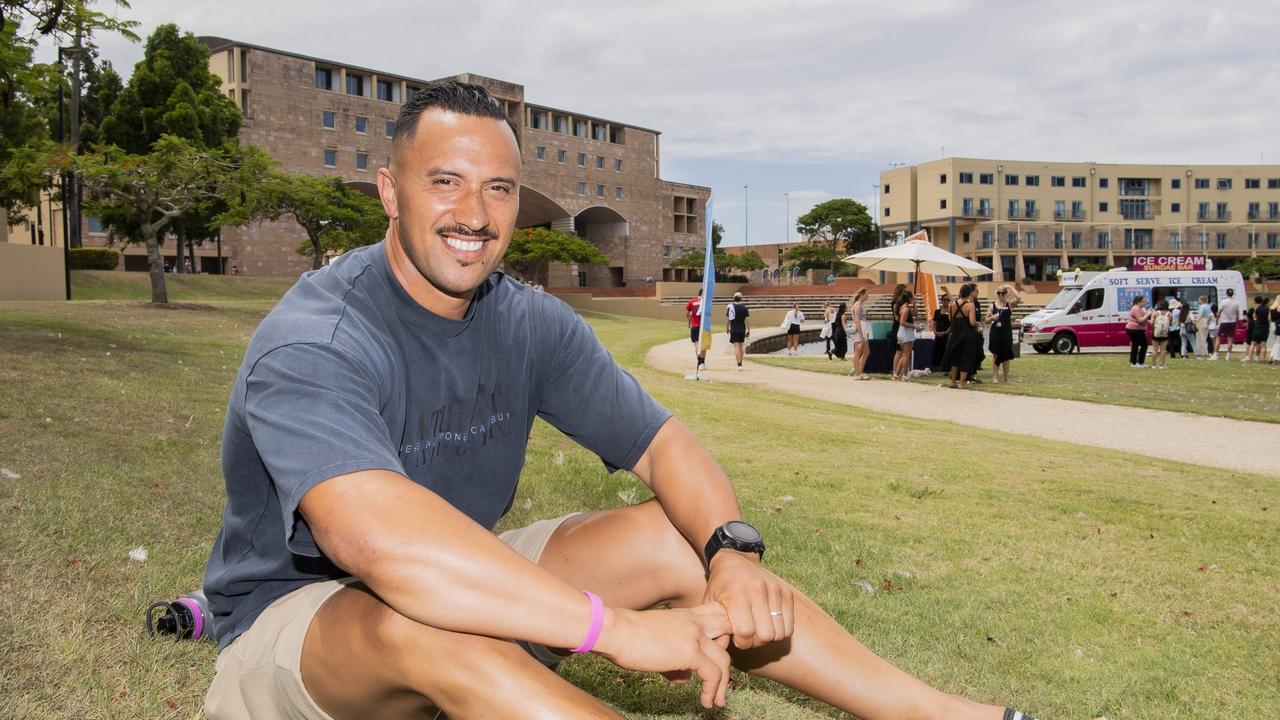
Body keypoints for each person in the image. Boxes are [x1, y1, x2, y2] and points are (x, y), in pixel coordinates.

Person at [200, 81, 1040, 720]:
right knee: (425, 620)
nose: (473, 214)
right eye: (444, 182)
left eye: (497, 189)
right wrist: (613, 629)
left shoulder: (526, 320)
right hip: (302, 630)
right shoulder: (320, 335)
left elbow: (663, 445)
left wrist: (733, 553)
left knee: (678, 538)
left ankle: (941, 714)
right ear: (390, 190)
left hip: (455, 590)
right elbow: (382, 549)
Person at [942, 283, 980, 388]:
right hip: (967, 333)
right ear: (969, 293)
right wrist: (977, 323)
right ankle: (962, 383)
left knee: (955, 358)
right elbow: (972, 322)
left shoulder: (951, 304)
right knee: (966, 358)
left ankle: (953, 382)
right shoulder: (970, 305)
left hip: (955, 333)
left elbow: (950, 319)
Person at [984, 285, 1020, 383]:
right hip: (995, 332)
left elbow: (1018, 298)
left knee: (1006, 356)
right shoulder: (992, 306)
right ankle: (995, 377)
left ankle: (1006, 378)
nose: (1001, 295)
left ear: (1006, 294)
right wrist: (992, 318)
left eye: (1003, 293)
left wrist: (1009, 287)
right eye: (999, 293)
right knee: (995, 354)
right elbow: (986, 320)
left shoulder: (1009, 304)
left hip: (1006, 332)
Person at [893, 290, 916, 381]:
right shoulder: (906, 309)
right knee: (907, 355)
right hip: (906, 332)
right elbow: (902, 322)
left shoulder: (903, 308)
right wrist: (915, 326)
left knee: (904, 354)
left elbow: (915, 314)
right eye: (912, 298)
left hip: (902, 332)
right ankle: (905, 375)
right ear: (908, 298)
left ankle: (897, 373)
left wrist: (915, 304)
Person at [849, 288, 871, 380]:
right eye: (866, 294)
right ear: (862, 294)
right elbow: (857, 320)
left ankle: (860, 372)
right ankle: (857, 373)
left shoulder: (859, 305)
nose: (868, 296)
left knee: (866, 351)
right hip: (860, 330)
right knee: (858, 352)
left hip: (862, 329)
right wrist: (861, 335)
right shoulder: (857, 306)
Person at [726, 291, 751, 370]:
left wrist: (727, 328)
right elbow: (747, 320)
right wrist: (748, 330)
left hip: (734, 329)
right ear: (741, 298)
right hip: (742, 329)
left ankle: (739, 365)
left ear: (734, 298)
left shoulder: (731, 308)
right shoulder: (744, 308)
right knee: (741, 346)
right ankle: (741, 363)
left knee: (736, 347)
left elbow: (729, 320)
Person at [1214, 287, 1241, 361]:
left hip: (1224, 322)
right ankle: (1228, 355)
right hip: (1232, 322)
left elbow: (1220, 312)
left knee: (1218, 338)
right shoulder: (1236, 302)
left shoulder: (1223, 302)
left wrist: (1217, 319)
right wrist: (1237, 322)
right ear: (1232, 294)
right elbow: (1237, 313)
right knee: (1230, 339)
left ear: (1226, 293)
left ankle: (1216, 354)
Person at [1125, 294, 1151, 368]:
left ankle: (1141, 362)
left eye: (1145, 301)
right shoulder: (1136, 308)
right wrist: (1148, 314)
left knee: (1144, 344)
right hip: (1133, 329)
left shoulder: (1140, 308)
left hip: (1139, 329)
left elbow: (1143, 319)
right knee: (1135, 345)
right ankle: (1134, 363)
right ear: (1138, 302)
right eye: (1143, 302)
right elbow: (1140, 319)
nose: (1144, 303)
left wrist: (1148, 320)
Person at [930, 290, 952, 371]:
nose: (946, 301)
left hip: (947, 334)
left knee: (946, 349)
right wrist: (935, 331)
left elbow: (952, 323)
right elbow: (934, 322)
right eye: (944, 299)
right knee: (937, 349)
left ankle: (946, 367)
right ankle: (937, 366)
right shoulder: (937, 311)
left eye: (947, 299)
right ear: (941, 300)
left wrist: (946, 332)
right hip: (938, 333)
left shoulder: (951, 311)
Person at [1245, 295, 1270, 363]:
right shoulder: (1268, 309)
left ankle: (1249, 358)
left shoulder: (1258, 308)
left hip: (1257, 327)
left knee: (1253, 343)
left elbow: (1253, 316)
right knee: (1263, 344)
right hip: (1265, 328)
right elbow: (1269, 318)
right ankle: (1262, 359)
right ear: (1267, 303)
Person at [685, 289, 705, 369]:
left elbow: (687, 314)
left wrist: (691, 320)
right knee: (703, 344)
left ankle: (699, 362)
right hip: (704, 326)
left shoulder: (692, 301)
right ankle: (703, 362)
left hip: (695, 326)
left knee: (697, 343)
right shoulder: (705, 302)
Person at [1149, 300, 1172, 369]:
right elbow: (1170, 324)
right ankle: (1162, 365)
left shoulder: (1155, 313)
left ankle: (1153, 364)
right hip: (1165, 333)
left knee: (1155, 349)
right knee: (1163, 350)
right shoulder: (1169, 314)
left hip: (1156, 332)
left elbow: (1151, 323)